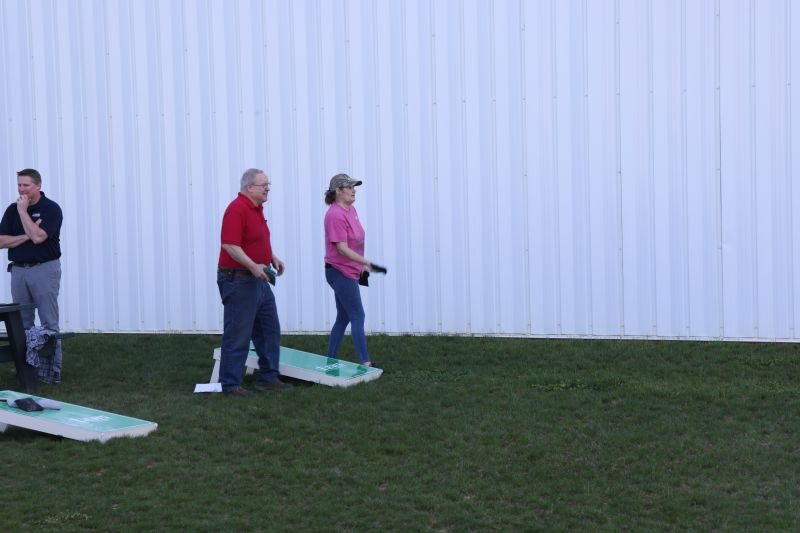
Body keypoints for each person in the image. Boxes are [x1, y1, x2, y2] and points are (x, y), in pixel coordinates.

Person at [217, 168, 292, 396]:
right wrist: (252, 266)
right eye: (264, 185)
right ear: (250, 187)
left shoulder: (257, 209)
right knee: (238, 333)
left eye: (268, 184)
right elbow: (229, 245)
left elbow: (256, 241)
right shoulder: (237, 209)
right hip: (239, 279)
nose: (268, 188)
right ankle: (230, 384)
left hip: (258, 278)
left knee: (269, 330)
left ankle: (268, 378)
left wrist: (272, 258)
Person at [323, 173, 385, 367]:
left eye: (354, 186)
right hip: (338, 271)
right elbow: (341, 248)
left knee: (343, 317)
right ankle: (365, 362)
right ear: (338, 191)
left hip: (349, 270)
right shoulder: (335, 215)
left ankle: (330, 359)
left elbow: (355, 241)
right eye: (349, 187)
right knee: (358, 315)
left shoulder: (351, 210)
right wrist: (366, 262)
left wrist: (360, 267)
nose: (354, 190)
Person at [0, 168, 63, 333]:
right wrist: (27, 235)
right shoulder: (12, 210)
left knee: (48, 321)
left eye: (26, 185)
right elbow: (1, 241)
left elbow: (38, 238)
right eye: (19, 185)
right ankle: (27, 360)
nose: (21, 189)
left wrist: (23, 211)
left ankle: (51, 360)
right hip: (18, 270)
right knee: (21, 322)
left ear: (38, 185)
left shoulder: (51, 208)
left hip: (44, 269)